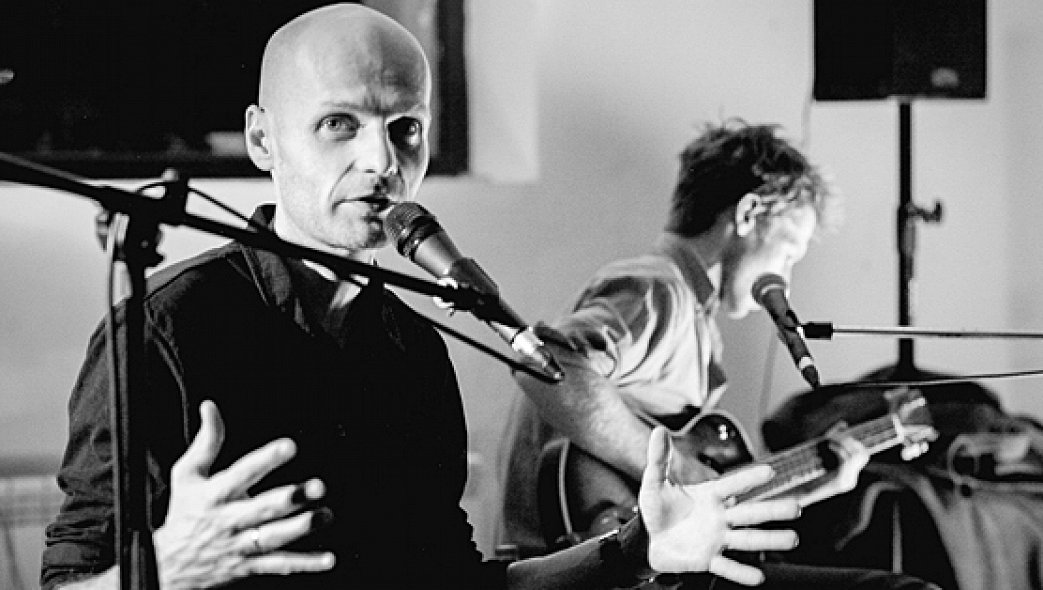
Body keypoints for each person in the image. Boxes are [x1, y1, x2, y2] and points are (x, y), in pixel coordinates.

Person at [40, 6, 805, 589]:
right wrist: (163, 572)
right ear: (263, 140)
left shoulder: (412, 350)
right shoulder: (168, 328)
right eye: (338, 123)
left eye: (405, 127)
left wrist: (635, 549)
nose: (381, 159)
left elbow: (455, 580)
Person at [500, 120, 940, 589]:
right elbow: (543, 366)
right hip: (596, 567)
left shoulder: (690, 312)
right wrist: (681, 470)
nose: (786, 277)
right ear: (748, 214)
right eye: (788, 254)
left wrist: (817, 483)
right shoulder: (658, 290)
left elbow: (701, 500)